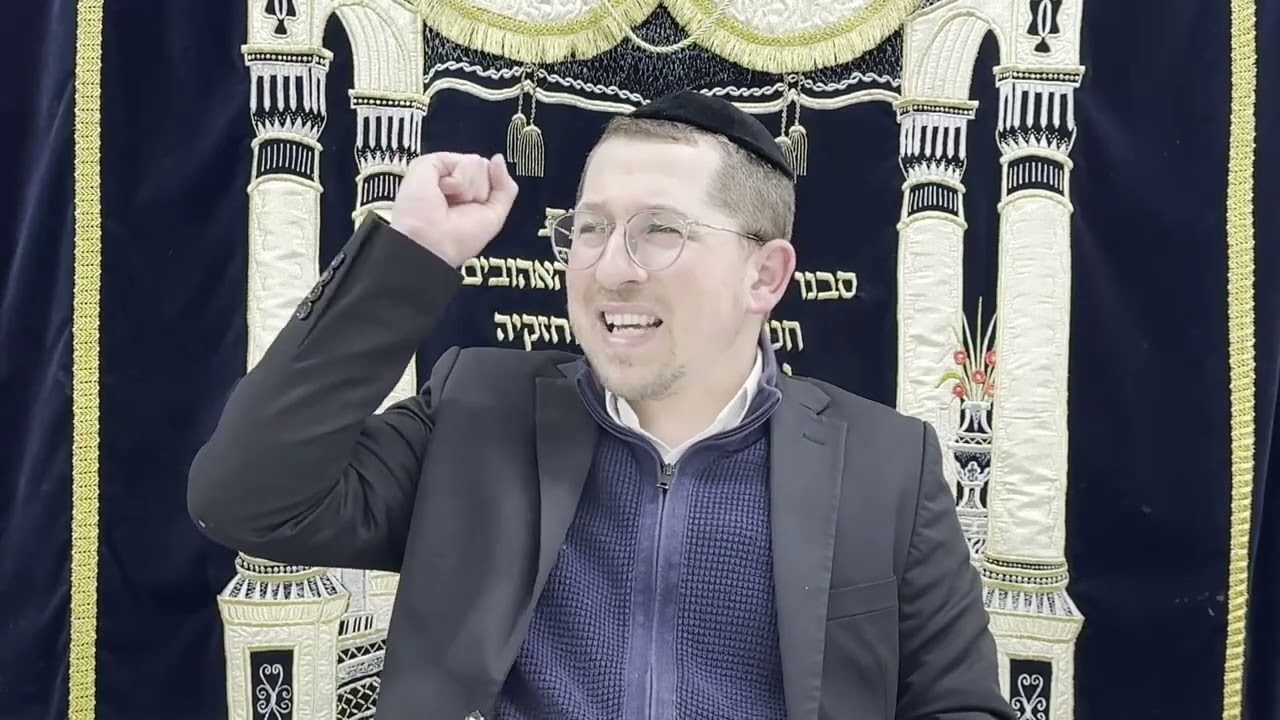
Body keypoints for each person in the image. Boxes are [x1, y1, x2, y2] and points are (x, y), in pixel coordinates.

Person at [188, 91, 1014, 720]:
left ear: (764, 276)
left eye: (660, 231)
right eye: (588, 230)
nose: (612, 268)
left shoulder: (886, 465)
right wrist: (411, 254)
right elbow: (245, 498)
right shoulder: (475, 409)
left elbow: (958, 706)